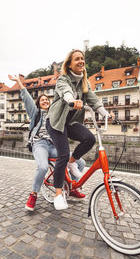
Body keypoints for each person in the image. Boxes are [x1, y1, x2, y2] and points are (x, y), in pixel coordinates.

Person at [8, 74, 86, 212]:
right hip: (40, 144)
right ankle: (33, 194)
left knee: (80, 163)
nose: (45, 101)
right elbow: (26, 98)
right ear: (39, 104)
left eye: (46, 100)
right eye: (42, 100)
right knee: (43, 167)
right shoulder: (35, 113)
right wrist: (19, 82)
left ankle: (71, 188)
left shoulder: (55, 114)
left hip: (54, 145)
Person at [46, 49, 111, 210]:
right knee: (62, 153)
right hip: (56, 122)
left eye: (82, 58)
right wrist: (71, 100)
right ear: (69, 64)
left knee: (89, 139)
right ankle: (58, 194)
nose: (81, 61)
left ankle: (72, 162)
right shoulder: (63, 79)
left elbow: (92, 98)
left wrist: (103, 111)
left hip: (71, 122)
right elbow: (65, 91)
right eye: (77, 59)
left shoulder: (84, 82)